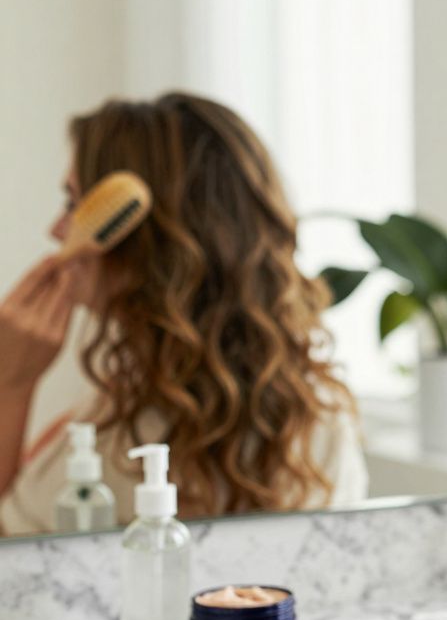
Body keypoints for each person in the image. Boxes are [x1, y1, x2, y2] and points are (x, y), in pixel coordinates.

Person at [0, 92, 366, 535]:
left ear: (141, 239)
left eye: (74, 204)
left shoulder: (122, 441)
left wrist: (10, 384)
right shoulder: (313, 414)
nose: (56, 230)